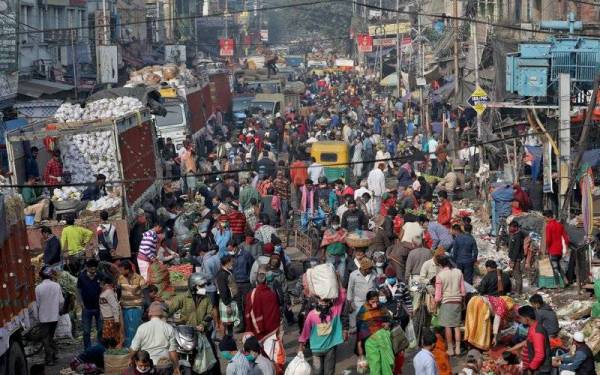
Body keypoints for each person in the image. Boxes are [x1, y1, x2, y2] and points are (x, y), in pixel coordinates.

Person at [298, 291, 348, 375]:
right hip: (316, 351)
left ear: (330, 301)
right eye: (322, 301)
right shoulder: (311, 315)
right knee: (317, 373)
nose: (324, 304)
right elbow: (305, 332)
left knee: (329, 372)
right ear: (317, 301)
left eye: (326, 301)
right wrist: (300, 346)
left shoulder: (334, 311)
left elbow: (342, 296)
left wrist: (336, 280)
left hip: (330, 349)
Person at [130, 302, 179, 374]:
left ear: (149, 314)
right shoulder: (169, 328)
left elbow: (134, 349)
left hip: (147, 364)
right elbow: (172, 351)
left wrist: (130, 360)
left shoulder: (142, 328)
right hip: (164, 365)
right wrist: (176, 367)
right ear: (161, 314)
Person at [356, 291, 395, 375]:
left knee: (388, 363)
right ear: (367, 301)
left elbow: (390, 319)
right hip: (370, 342)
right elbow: (359, 328)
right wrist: (359, 345)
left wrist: (388, 323)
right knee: (374, 365)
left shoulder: (382, 307)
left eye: (377, 301)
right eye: (373, 302)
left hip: (384, 340)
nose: (375, 304)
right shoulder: (363, 310)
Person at [434, 255, 466, 356]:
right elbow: (463, 291)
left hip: (446, 302)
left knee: (448, 326)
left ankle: (450, 349)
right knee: (456, 326)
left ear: (440, 265)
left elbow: (438, 296)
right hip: (457, 301)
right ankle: (458, 349)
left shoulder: (440, 275)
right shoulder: (458, 272)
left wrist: (435, 303)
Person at [35, 267, 64, 366]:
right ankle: (54, 354)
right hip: (54, 316)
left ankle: (49, 358)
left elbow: (37, 304)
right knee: (51, 336)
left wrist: (37, 315)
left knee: (45, 338)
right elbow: (61, 301)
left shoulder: (38, 288)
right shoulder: (56, 286)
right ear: (50, 275)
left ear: (41, 276)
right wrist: (58, 310)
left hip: (43, 317)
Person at [244, 265, 281, 341]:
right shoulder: (271, 294)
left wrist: (249, 328)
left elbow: (248, 312)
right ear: (266, 281)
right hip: (272, 328)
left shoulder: (251, 294)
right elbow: (277, 309)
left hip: (259, 330)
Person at [117, 260, 146, 347]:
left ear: (128, 270)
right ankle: (128, 349)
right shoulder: (120, 278)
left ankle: (132, 349)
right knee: (125, 330)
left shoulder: (139, 278)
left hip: (136, 307)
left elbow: (145, 292)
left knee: (133, 330)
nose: (120, 272)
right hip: (124, 307)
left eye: (122, 270)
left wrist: (148, 306)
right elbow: (118, 291)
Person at [518, 305, 552, 375]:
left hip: (541, 368)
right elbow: (528, 341)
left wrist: (531, 368)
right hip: (537, 365)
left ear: (527, 318)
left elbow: (540, 355)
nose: (520, 320)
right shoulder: (534, 326)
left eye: (521, 318)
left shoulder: (536, 333)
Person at [77, 259, 102, 349]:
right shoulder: (81, 277)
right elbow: (78, 291)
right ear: (87, 268)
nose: (93, 271)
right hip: (86, 308)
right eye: (91, 269)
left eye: (94, 269)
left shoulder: (100, 276)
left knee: (100, 330)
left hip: (99, 308)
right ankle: (87, 349)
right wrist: (81, 303)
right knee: (86, 331)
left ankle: (100, 348)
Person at [347, 257, 377, 332]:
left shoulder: (374, 273)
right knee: (359, 319)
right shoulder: (353, 275)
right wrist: (349, 302)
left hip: (371, 301)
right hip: (358, 301)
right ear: (365, 269)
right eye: (370, 268)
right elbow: (350, 289)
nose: (371, 269)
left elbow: (376, 286)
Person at [544, 210, 570, 287]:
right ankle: (565, 280)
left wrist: (546, 249)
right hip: (560, 250)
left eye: (545, 218)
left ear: (548, 217)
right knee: (558, 266)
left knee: (555, 268)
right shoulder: (560, 225)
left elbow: (548, 239)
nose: (545, 220)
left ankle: (558, 285)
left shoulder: (548, 226)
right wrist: (567, 248)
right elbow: (566, 238)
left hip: (553, 250)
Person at [216, 255, 239, 336]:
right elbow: (223, 291)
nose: (232, 263)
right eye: (231, 261)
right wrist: (228, 305)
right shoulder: (222, 274)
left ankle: (229, 338)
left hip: (229, 300)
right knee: (227, 323)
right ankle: (226, 339)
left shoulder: (228, 272)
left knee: (230, 323)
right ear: (227, 262)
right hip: (226, 301)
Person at [99, 275, 121, 345]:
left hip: (110, 319)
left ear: (106, 284)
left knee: (110, 338)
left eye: (102, 284)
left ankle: (112, 351)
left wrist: (116, 320)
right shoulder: (105, 292)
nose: (100, 285)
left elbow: (114, 306)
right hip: (107, 319)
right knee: (108, 337)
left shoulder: (109, 292)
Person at [508, 220, 526, 295]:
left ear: (515, 227)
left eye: (511, 227)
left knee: (517, 274)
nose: (509, 228)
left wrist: (513, 260)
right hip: (515, 258)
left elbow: (516, 249)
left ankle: (519, 292)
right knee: (515, 274)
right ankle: (517, 290)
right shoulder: (514, 235)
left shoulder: (518, 236)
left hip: (517, 258)